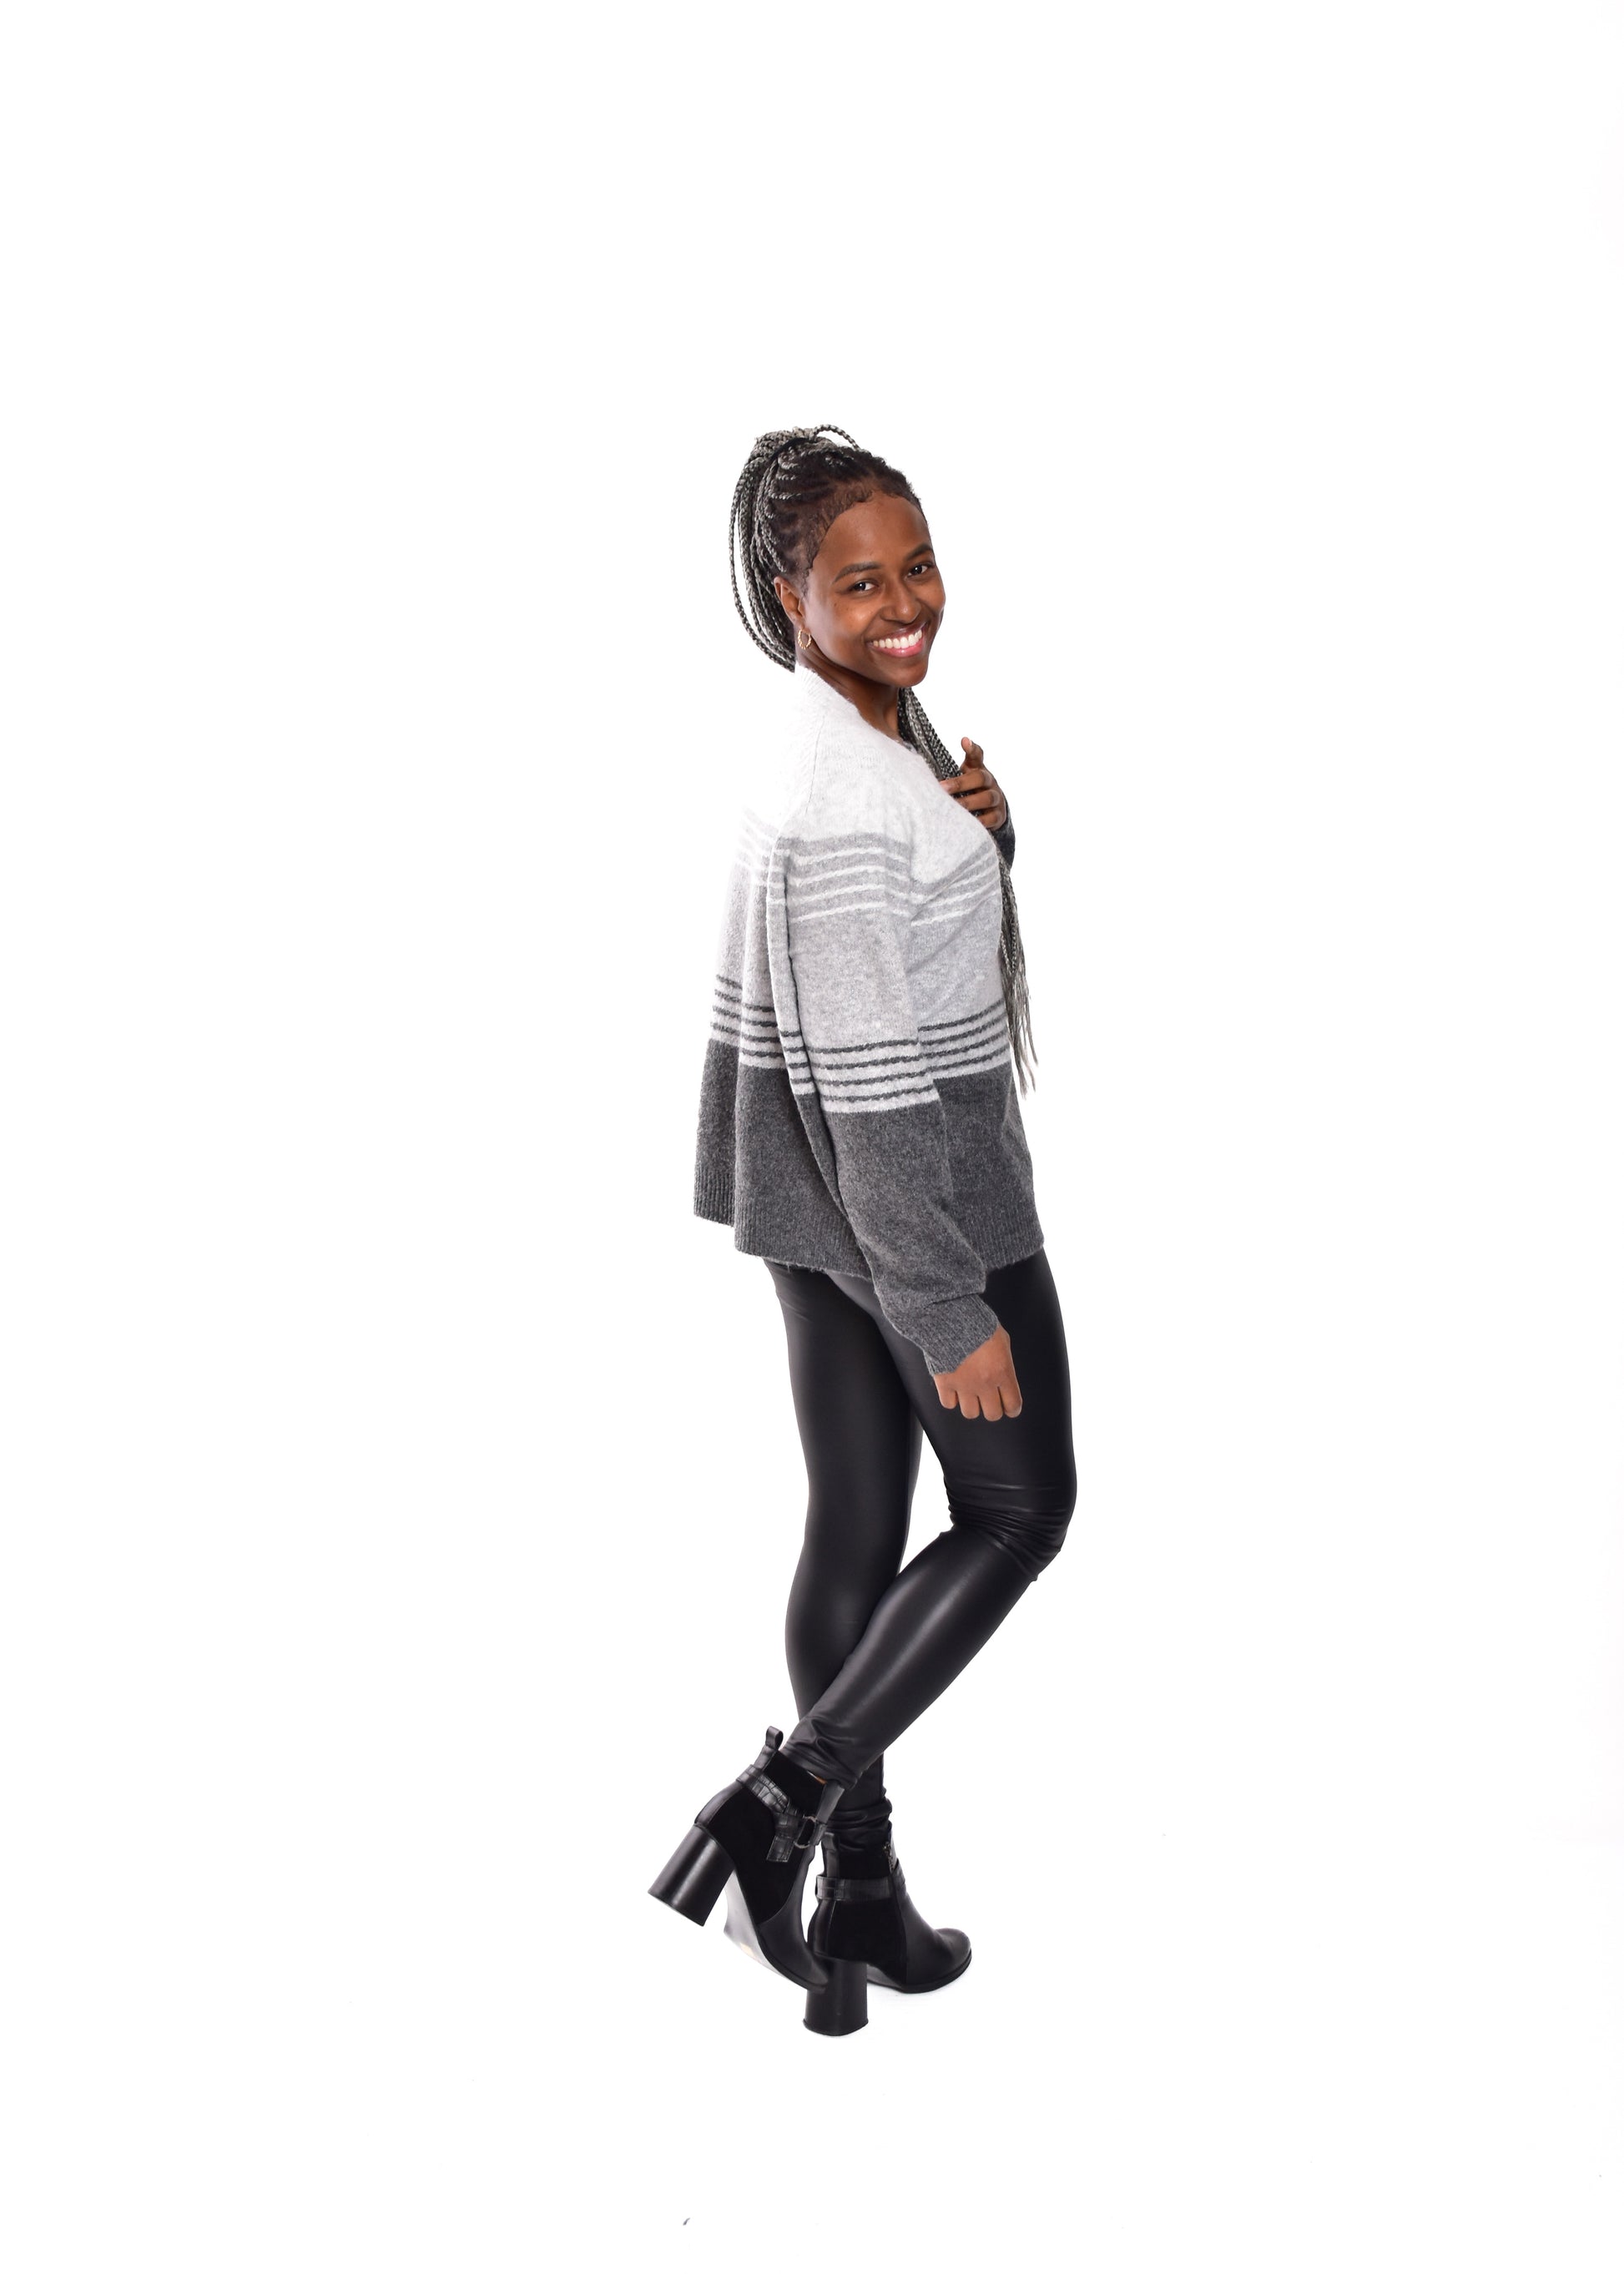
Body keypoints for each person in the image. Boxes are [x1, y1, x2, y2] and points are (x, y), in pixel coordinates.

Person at [649, 426, 1077, 2037]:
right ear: (792, 598)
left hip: (809, 1201)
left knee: (853, 1528)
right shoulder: (844, 788)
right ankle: (778, 1804)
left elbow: (894, 956)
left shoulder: (857, 733)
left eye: (918, 567)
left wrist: (982, 838)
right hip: (909, 1202)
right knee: (1020, 1507)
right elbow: (876, 1067)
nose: (904, 605)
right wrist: (943, 1298)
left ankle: (860, 1898)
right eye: (859, 583)